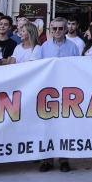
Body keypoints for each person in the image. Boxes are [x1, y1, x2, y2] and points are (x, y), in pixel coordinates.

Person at [37, 19, 79, 172]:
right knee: (47, 126)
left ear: (65, 29)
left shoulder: (73, 47)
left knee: (64, 126)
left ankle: (64, 159)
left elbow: (78, 69)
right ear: (50, 30)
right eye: (54, 29)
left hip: (66, 93)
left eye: (60, 28)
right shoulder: (44, 48)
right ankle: (47, 159)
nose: (57, 31)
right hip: (48, 93)